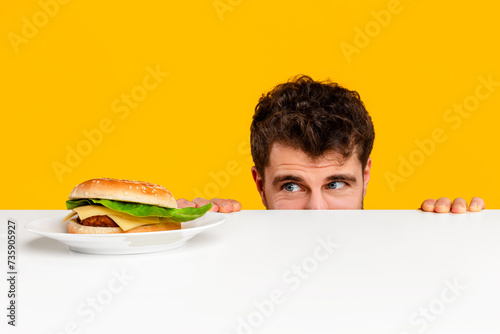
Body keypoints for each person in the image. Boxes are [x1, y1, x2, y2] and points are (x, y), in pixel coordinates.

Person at [177, 75, 485, 213]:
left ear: (364, 177)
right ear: (261, 186)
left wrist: (460, 240)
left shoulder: (410, 264)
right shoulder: (234, 272)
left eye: (335, 184)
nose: (317, 210)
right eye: (291, 187)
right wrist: (176, 235)